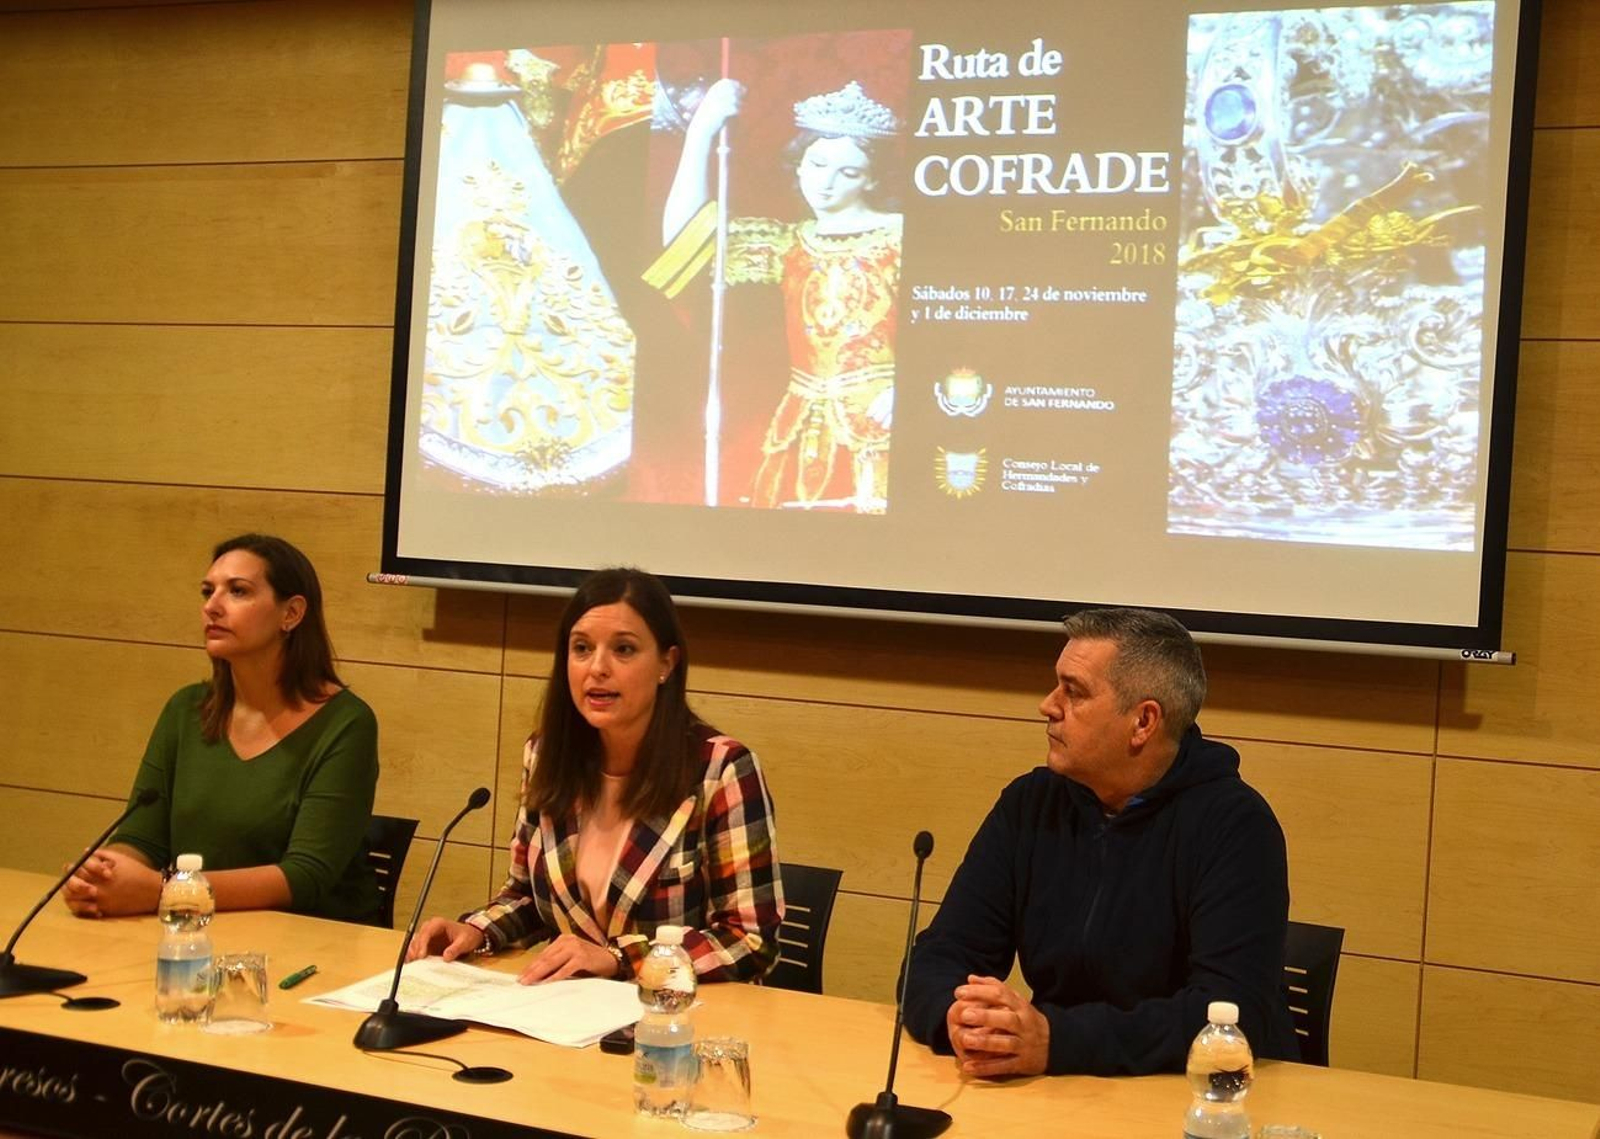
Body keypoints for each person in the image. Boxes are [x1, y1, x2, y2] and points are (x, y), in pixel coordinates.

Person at [902, 607, 1297, 1077]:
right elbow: (939, 957)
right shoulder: (1030, 805)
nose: (1048, 705)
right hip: (1060, 1088)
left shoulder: (1235, 825)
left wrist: (1057, 1041)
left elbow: (1230, 1013)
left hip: (1199, 1097)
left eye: (1074, 692)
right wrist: (963, 1019)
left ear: (1143, 721)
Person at [406, 567, 783, 983]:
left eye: (623, 649)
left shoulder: (721, 769)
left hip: (675, 1012)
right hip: (569, 1006)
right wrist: (478, 932)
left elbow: (750, 941)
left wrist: (621, 958)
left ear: (666, 663)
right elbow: (528, 898)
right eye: (582, 648)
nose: (597, 668)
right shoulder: (546, 755)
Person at [65, 535, 380, 923]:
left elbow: (305, 875)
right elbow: (140, 838)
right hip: (196, 928)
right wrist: (102, 876)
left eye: (238, 591)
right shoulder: (185, 709)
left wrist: (168, 892)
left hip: (313, 936)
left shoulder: (347, 723)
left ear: (292, 613)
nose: (212, 606)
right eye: (207, 591)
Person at [651, 78, 902, 513]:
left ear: (871, 179)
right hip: (801, 425)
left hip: (884, 418)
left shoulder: (902, 236)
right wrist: (702, 132)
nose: (826, 183)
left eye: (849, 173)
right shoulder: (787, 243)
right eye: (817, 164)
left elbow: (951, 323)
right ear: (799, 166)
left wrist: (911, 386)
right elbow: (684, 242)